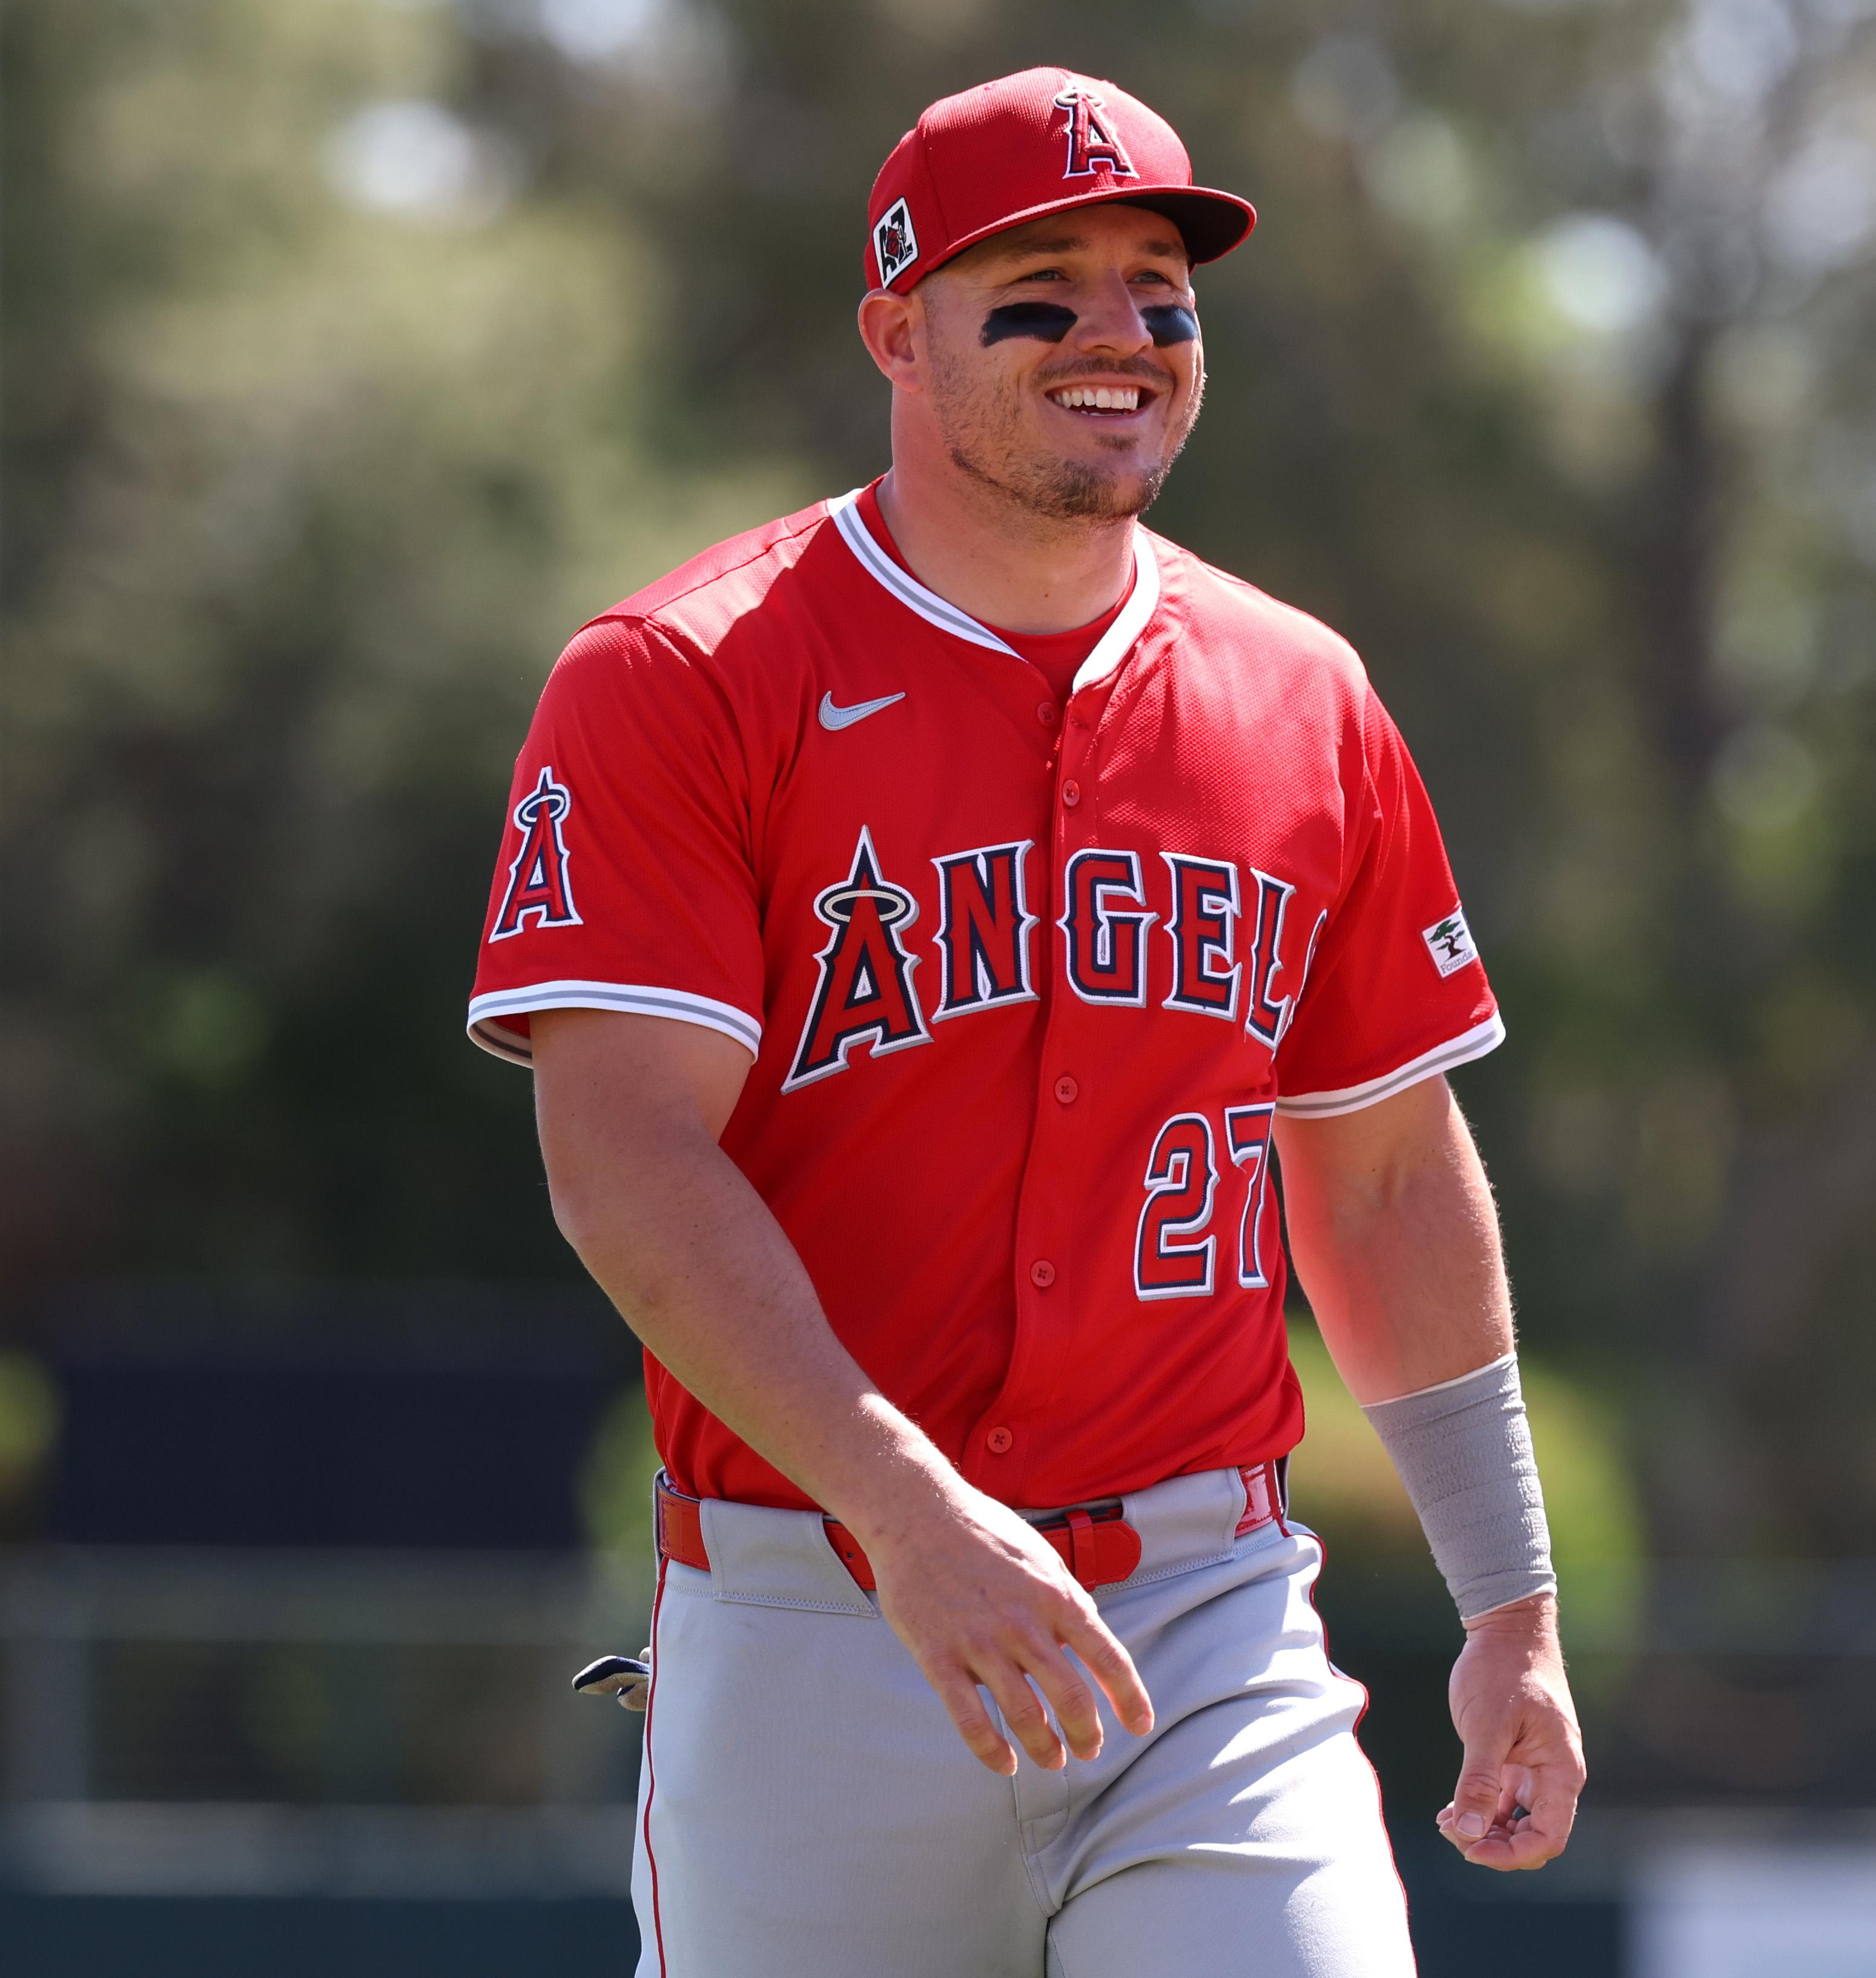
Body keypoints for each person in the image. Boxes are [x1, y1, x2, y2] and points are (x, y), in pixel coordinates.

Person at [467, 65, 1582, 1978]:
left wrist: (1509, 1601)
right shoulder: (683, 677)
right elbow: (624, 1159)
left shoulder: (1303, 697)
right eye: (1040, 288)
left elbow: (1385, 1172)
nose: (1118, 334)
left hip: (1202, 1613)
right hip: (817, 1607)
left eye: (1162, 289)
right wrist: (908, 1515)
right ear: (896, 330)